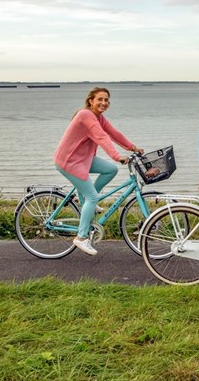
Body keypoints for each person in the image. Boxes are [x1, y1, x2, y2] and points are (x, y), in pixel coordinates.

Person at [54, 87, 143, 256]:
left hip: (83, 158)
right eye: (100, 99)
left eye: (106, 100)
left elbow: (114, 134)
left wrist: (133, 147)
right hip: (69, 161)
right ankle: (81, 237)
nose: (104, 103)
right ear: (91, 101)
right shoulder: (85, 115)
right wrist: (117, 156)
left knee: (111, 170)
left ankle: (89, 201)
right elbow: (102, 137)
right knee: (93, 197)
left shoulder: (99, 118)